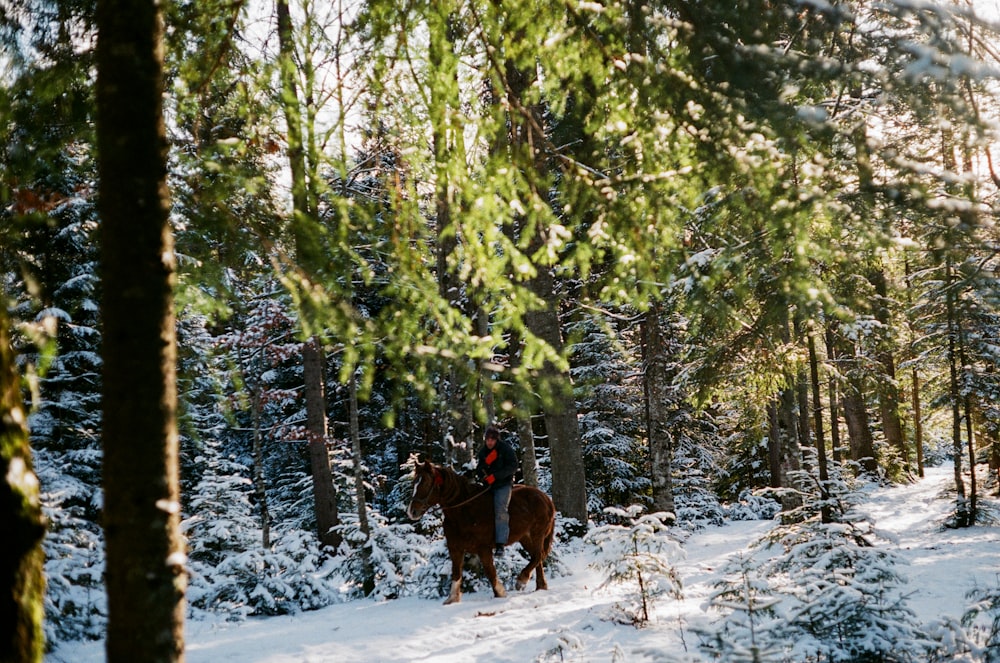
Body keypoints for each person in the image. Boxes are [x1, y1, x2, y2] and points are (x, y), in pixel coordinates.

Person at [477, 424, 518, 556]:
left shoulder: (505, 449)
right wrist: (483, 474)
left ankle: (500, 543)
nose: (489, 442)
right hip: (488, 485)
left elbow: (513, 466)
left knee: (500, 510)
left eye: (492, 440)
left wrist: (496, 476)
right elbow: (479, 468)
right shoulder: (483, 452)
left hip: (503, 484)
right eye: (487, 439)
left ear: (496, 440)